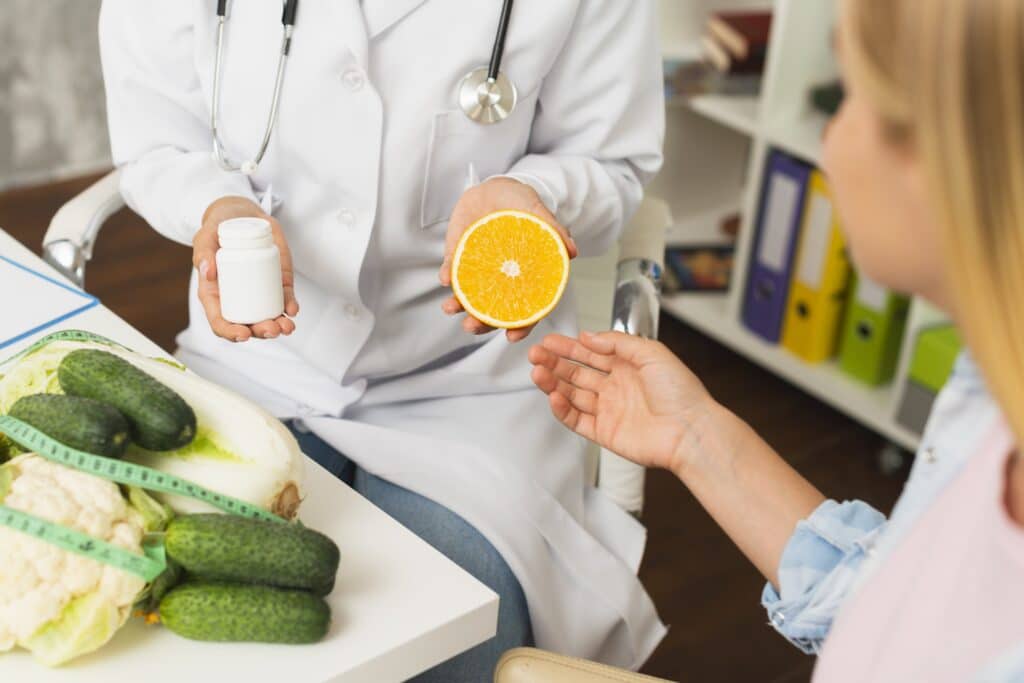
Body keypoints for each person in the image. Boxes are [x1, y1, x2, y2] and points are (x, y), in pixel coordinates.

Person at [98, 1, 666, 678]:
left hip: (465, 379)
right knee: (193, 633)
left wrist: (531, 193)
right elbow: (156, 138)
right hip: (255, 360)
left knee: (458, 633)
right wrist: (216, 205)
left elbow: (612, 160)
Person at [529, 0, 1024, 679]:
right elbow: (894, 608)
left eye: (850, 97)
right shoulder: (987, 395)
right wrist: (695, 434)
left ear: (952, 154)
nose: (827, 140)